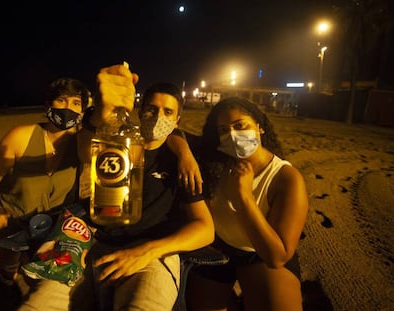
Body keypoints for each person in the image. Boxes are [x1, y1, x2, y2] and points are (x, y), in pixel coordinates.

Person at [18, 64, 214, 310]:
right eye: (152, 109)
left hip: (150, 253)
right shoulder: (117, 141)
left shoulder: (182, 163)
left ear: (177, 120)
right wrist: (100, 112)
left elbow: (205, 229)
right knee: (38, 304)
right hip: (90, 245)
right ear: (140, 111)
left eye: (167, 112)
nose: (158, 118)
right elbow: (85, 148)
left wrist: (148, 251)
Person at [184, 97, 309, 311]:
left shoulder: (285, 177)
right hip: (217, 250)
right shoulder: (216, 159)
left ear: (259, 127)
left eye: (240, 125)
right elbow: (176, 135)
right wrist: (184, 155)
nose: (232, 135)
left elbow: (277, 257)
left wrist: (243, 196)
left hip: (258, 254)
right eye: (223, 130)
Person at [0, 77, 91, 297]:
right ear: (48, 104)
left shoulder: (82, 145)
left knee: (58, 289)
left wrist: (182, 149)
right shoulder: (20, 136)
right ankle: (8, 272)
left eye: (76, 103)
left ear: (84, 111)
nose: (68, 108)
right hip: (9, 225)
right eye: (61, 100)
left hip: (52, 228)